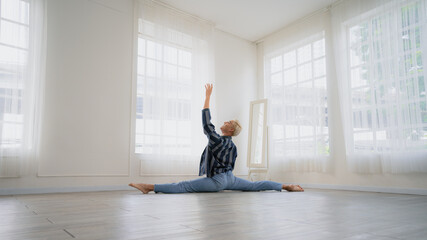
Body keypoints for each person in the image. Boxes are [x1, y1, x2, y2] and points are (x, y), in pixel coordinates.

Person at [129, 84, 304, 194]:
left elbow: (207, 125)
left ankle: (149, 187)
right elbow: (231, 164)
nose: (225, 121)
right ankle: (286, 186)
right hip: (230, 178)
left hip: (218, 181)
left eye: (228, 122)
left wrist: (207, 97)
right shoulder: (232, 146)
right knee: (255, 185)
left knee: (184, 186)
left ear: (230, 129)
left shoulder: (218, 141)